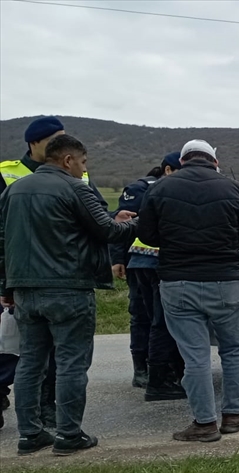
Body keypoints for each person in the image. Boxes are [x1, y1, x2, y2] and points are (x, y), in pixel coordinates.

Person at [0, 134, 137, 456]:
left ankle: (30, 434)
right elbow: (108, 231)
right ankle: (69, 434)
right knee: (71, 364)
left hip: (25, 291)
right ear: (67, 160)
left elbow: (2, 241)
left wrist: (6, 287)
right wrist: (140, 222)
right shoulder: (76, 189)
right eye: (83, 163)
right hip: (68, 289)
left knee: (30, 363)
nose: (83, 169)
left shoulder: (13, 190)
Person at [138, 140, 239, 442]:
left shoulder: (161, 188)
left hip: (178, 282)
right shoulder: (233, 188)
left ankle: (204, 423)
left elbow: (146, 234)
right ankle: (235, 414)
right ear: (214, 162)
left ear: (182, 161)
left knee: (194, 356)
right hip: (225, 280)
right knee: (233, 350)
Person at [111, 152, 187, 401]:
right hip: (144, 261)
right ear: (167, 170)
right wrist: (118, 258)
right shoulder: (140, 189)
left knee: (150, 318)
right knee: (146, 317)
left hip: (149, 261)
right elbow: (121, 225)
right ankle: (143, 370)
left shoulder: (170, 187)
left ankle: (153, 370)